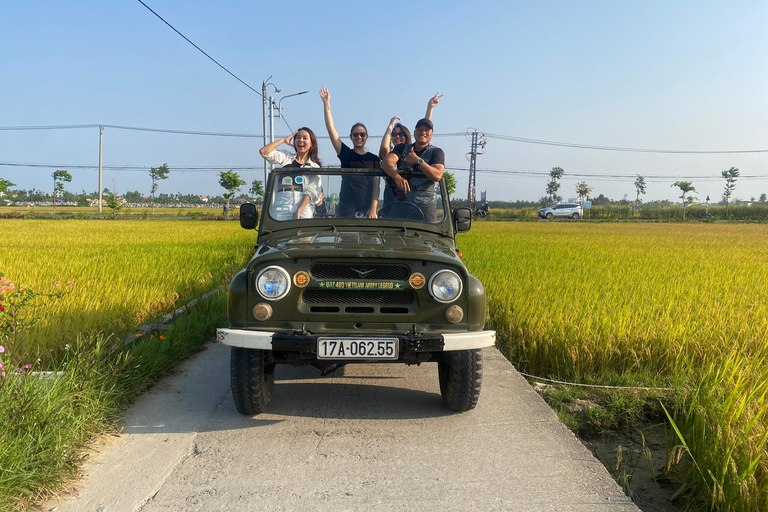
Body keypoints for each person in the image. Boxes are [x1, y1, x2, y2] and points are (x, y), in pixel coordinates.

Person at [319, 87, 380, 218]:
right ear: (351, 137)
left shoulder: (374, 159)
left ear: (366, 136)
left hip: (368, 209)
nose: (359, 137)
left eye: (362, 134)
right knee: (346, 238)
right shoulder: (346, 154)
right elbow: (331, 130)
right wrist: (326, 104)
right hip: (346, 208)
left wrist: (373, 209)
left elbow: (376, 186)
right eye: (356, 134)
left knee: (369, 239)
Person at [381, 118, 445, 222]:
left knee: (430, 235)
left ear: (431, 134)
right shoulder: (401, 148)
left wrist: (418, 161)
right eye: (419, 129)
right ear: (414, 133)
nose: (423, 132)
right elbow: (386, 163)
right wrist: (397, 176)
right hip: (401, 202)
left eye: (426, 130)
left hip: (425, 204)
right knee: (389, 234)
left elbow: (437, 175)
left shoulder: (436, 152)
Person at [259, 128, 322, 220]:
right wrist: (283, 140)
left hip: (304, 210)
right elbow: (264, 152)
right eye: (298, 137)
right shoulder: (286, 157)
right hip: (282, 208)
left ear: (312, 144)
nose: (301, 140)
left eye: (305, 138)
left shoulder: (314, 167)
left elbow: (312, 191)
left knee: (304, 234)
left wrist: (299, 210)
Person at [379, 92, 442, 160]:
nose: (397, 136)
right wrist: (390, 126)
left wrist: (430, 107)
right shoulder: (390, 156)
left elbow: (424, 130)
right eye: (394, 134)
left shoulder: (414, 152)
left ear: (407, 136)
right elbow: (384, 147)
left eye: (401, 134)